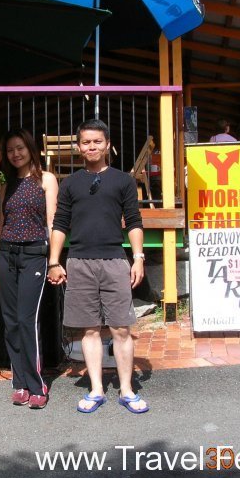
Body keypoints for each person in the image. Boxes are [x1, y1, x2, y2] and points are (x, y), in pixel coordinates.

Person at [47, 119, 148, 414]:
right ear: (79, 147)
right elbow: (60, 223)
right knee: (89, 331)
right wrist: (55, 261)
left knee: (121, 328)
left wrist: (138, 257)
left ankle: (127, 390)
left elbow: (134, 221)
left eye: (97, 142)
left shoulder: (123, 180)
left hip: (116, 260)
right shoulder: (70, 183)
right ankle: (96, 389)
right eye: (86, 142)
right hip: (78, 261)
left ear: (107, 145)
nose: (92, 146)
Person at [0, 129, 58, 410]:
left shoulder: (46, 180)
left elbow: (53, 222)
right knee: (11, 321)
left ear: (30, 149)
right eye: (10, 150)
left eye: (20, 148)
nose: (15, 154)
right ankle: (19, 382)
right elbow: (1, 226)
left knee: (27, 320)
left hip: (34, 256)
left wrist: (54, 260)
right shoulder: (8, 185)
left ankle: (36, 383)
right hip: (6, 255)